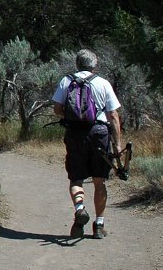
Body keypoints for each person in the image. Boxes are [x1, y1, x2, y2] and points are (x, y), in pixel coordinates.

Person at [51, 49, 123, 239]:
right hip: (99, 134)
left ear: (76, 63)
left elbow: (57, 109)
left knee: (76, 178)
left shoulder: (66, 81)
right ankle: (99, 225)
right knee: (99, 181)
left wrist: (74, 115)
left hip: (75, 134)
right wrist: (117, 144)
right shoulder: (103, 83)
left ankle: (80, 208)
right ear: (94, 64)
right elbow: (113, 115)